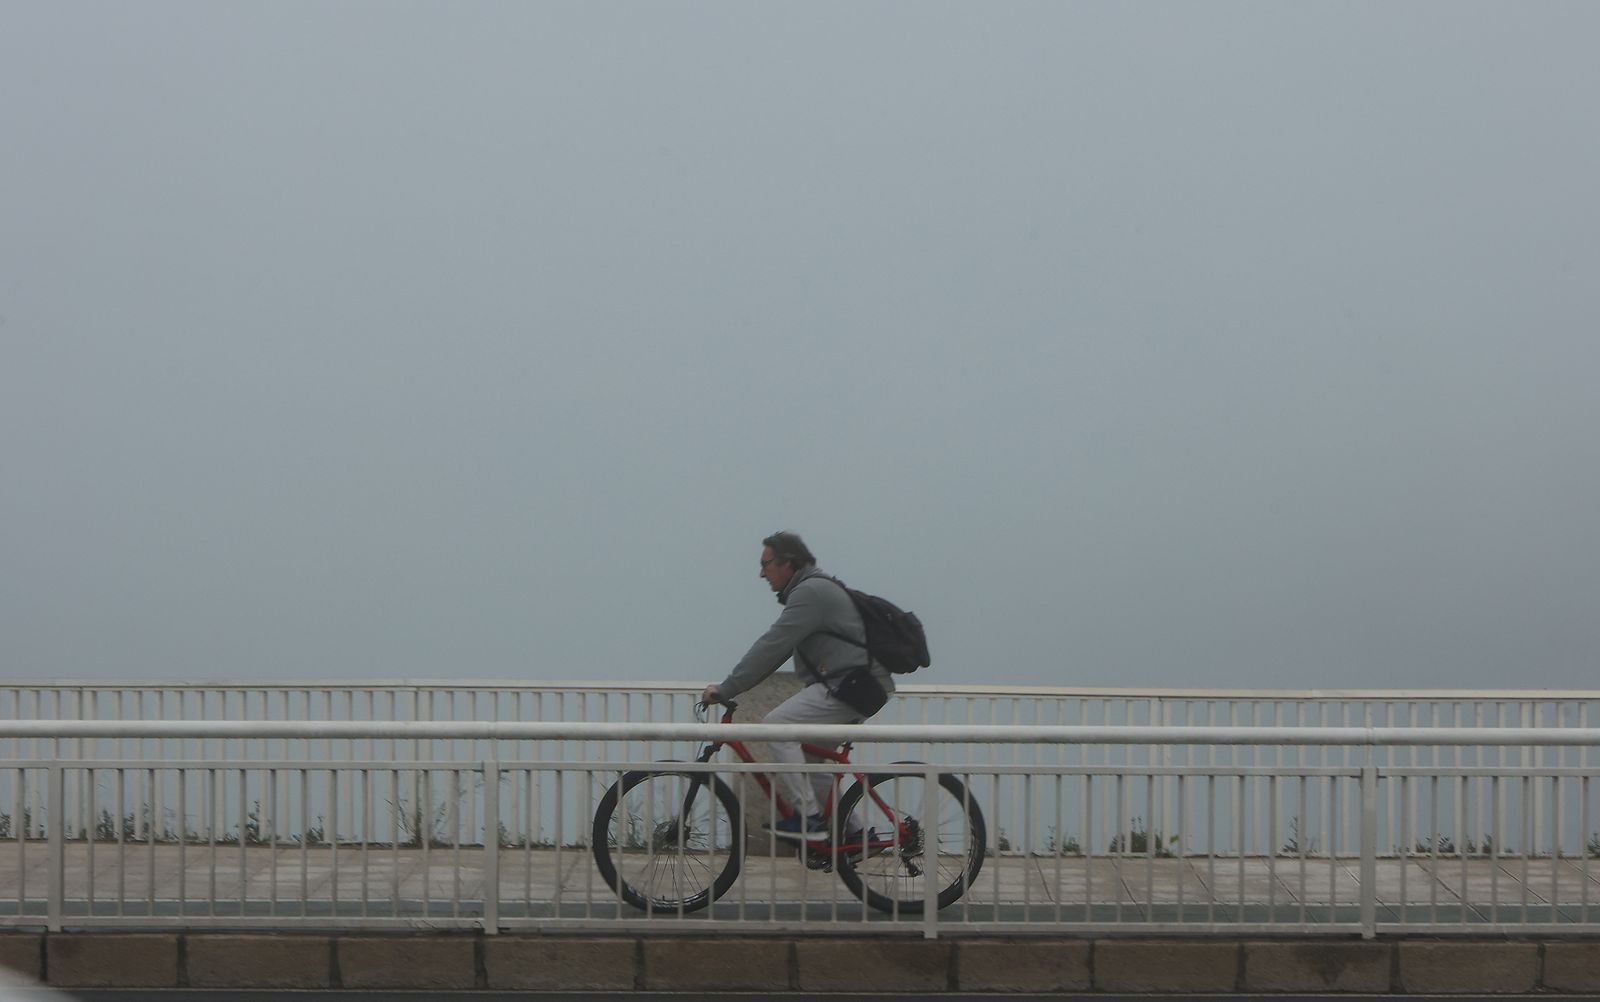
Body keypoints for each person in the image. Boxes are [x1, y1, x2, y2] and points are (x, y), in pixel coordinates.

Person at [701, 531, 895, 840]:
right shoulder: (811, 591)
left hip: (850, 685)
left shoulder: (810, 593)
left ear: (787, 564)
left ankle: (809, 820)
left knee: (777, 727)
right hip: (855, 685)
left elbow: (772, 646)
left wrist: (726, 689)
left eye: (766, 564)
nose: (761, 573)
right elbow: (775, 652)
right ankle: (855, 833)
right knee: (811, 762)